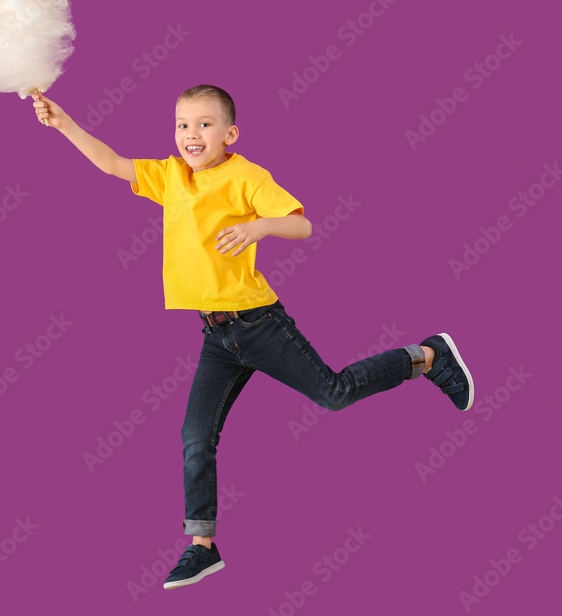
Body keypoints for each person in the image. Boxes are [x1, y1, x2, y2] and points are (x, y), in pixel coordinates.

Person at [32, 84, 475, 590]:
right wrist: (63, 122)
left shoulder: (246, 176)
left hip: (259, 323)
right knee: (195, 437)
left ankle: (426, 355)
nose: (191, 134)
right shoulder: (171, 176)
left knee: (333, 395)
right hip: (216, 337)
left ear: (229, 133)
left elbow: (302, 226)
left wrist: (259, 228)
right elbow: (111, 162)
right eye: (182, 124)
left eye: (204, 124)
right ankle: (202, 547)